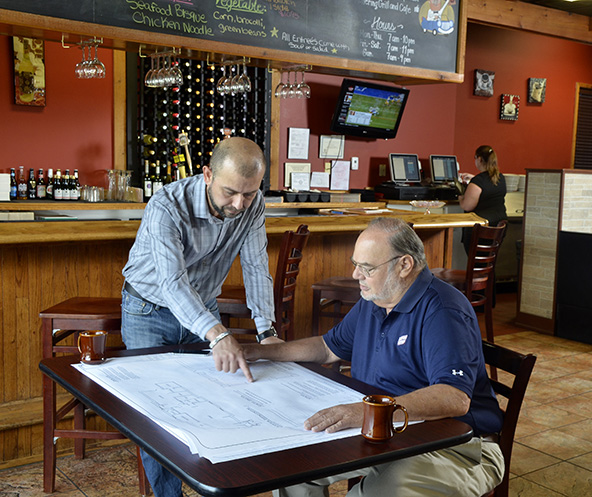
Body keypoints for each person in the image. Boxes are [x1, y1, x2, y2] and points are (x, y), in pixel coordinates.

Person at [243, 217, 505, 497]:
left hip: (458, 446)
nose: (356, 275)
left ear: (404, 265)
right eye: (356, 264)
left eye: (366, 268)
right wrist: (260, 351)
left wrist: (363, 412)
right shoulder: (377, 300)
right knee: (292, 466)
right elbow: (328, 347)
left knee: (377, 493)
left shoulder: (443, 311)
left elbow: (454, 397)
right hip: (389, 432)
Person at [121, 137, 279, 497]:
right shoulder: (167, 205)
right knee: (157, 415)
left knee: (218, 399)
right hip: (149, 307)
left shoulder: (251, 205)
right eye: (230, 192)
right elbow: (173, 283)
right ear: (207, 174)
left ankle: (217, 486)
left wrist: (267, 330)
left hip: (204, 306)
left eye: (250, 194)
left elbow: (256, 267)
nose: (239, 204)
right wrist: (219, 334)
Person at [458, 145, 507, 253]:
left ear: (479, 159)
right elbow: (487, 183)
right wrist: (474, 178)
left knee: (475, 264)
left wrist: (460, 197)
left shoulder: (478, 182)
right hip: (497, 229)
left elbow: (467, 206)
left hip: (479, 231)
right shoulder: (500, 177)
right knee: (487, 262)